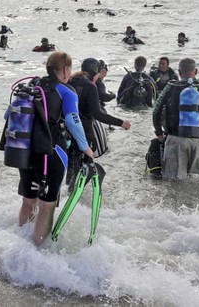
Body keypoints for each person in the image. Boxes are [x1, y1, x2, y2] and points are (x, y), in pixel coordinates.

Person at [17, 52, 95, 246]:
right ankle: (37, 254)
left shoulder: (32, 87)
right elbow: (73, 121)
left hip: (25, 151)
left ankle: (20, 245)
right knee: (46, 206)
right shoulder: (66, 91)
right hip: (51, 154)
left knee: (28, 201)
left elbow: (7, 116)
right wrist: (85, 148)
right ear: (66, 70)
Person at [67, 58, 131, 183]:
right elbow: (97, 114)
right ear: (95, 73)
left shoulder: (71, 81)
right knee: (82, 165)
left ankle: (66, 190)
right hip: (83, 131)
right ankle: (73, 193)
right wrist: (121, 123)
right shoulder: (90, 86)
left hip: (68, 130)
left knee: (71, 165)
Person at [152, 58, 199, 180]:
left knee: (173, 182)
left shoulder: (170, 88)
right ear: (196, 71)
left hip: (176, 140)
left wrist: (159, 133)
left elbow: (156, 112)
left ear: (179, 72)